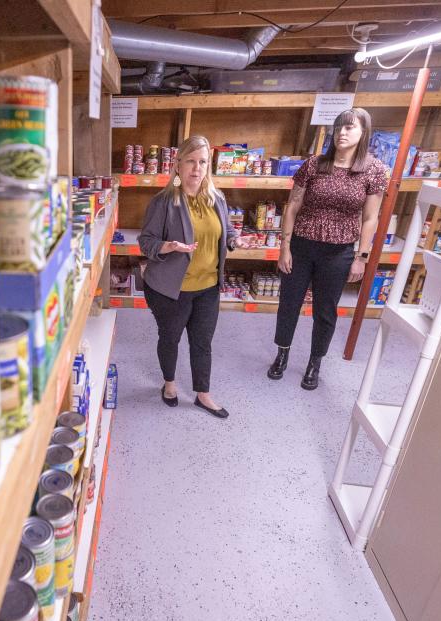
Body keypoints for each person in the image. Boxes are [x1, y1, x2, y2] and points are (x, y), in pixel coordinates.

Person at [267, 107, 388, 390]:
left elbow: (370, 218)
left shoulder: (373, 171)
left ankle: (315, 361)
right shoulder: (314, 165)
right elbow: (293, 205)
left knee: (325, 310)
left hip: (338, 252)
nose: (343, 133)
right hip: (301, 246)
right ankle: (282, 353)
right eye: (340, 127)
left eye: (350, 127)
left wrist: (361, 257)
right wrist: (284, 247)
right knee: (289, 303)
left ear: (363, 133)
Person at [137, 135, 247, 418]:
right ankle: (170, 385)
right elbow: (146, 242)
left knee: (202, 342)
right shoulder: (164, 202)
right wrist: (168, 246)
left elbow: (227, 232)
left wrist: (236, 241)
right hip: (171, 290)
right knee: (170, 338)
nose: (197, 169)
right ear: (178, 165)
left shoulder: (217, 198)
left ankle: (203, 394)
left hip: (208, 286)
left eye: (202, 162)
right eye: (190, 162)